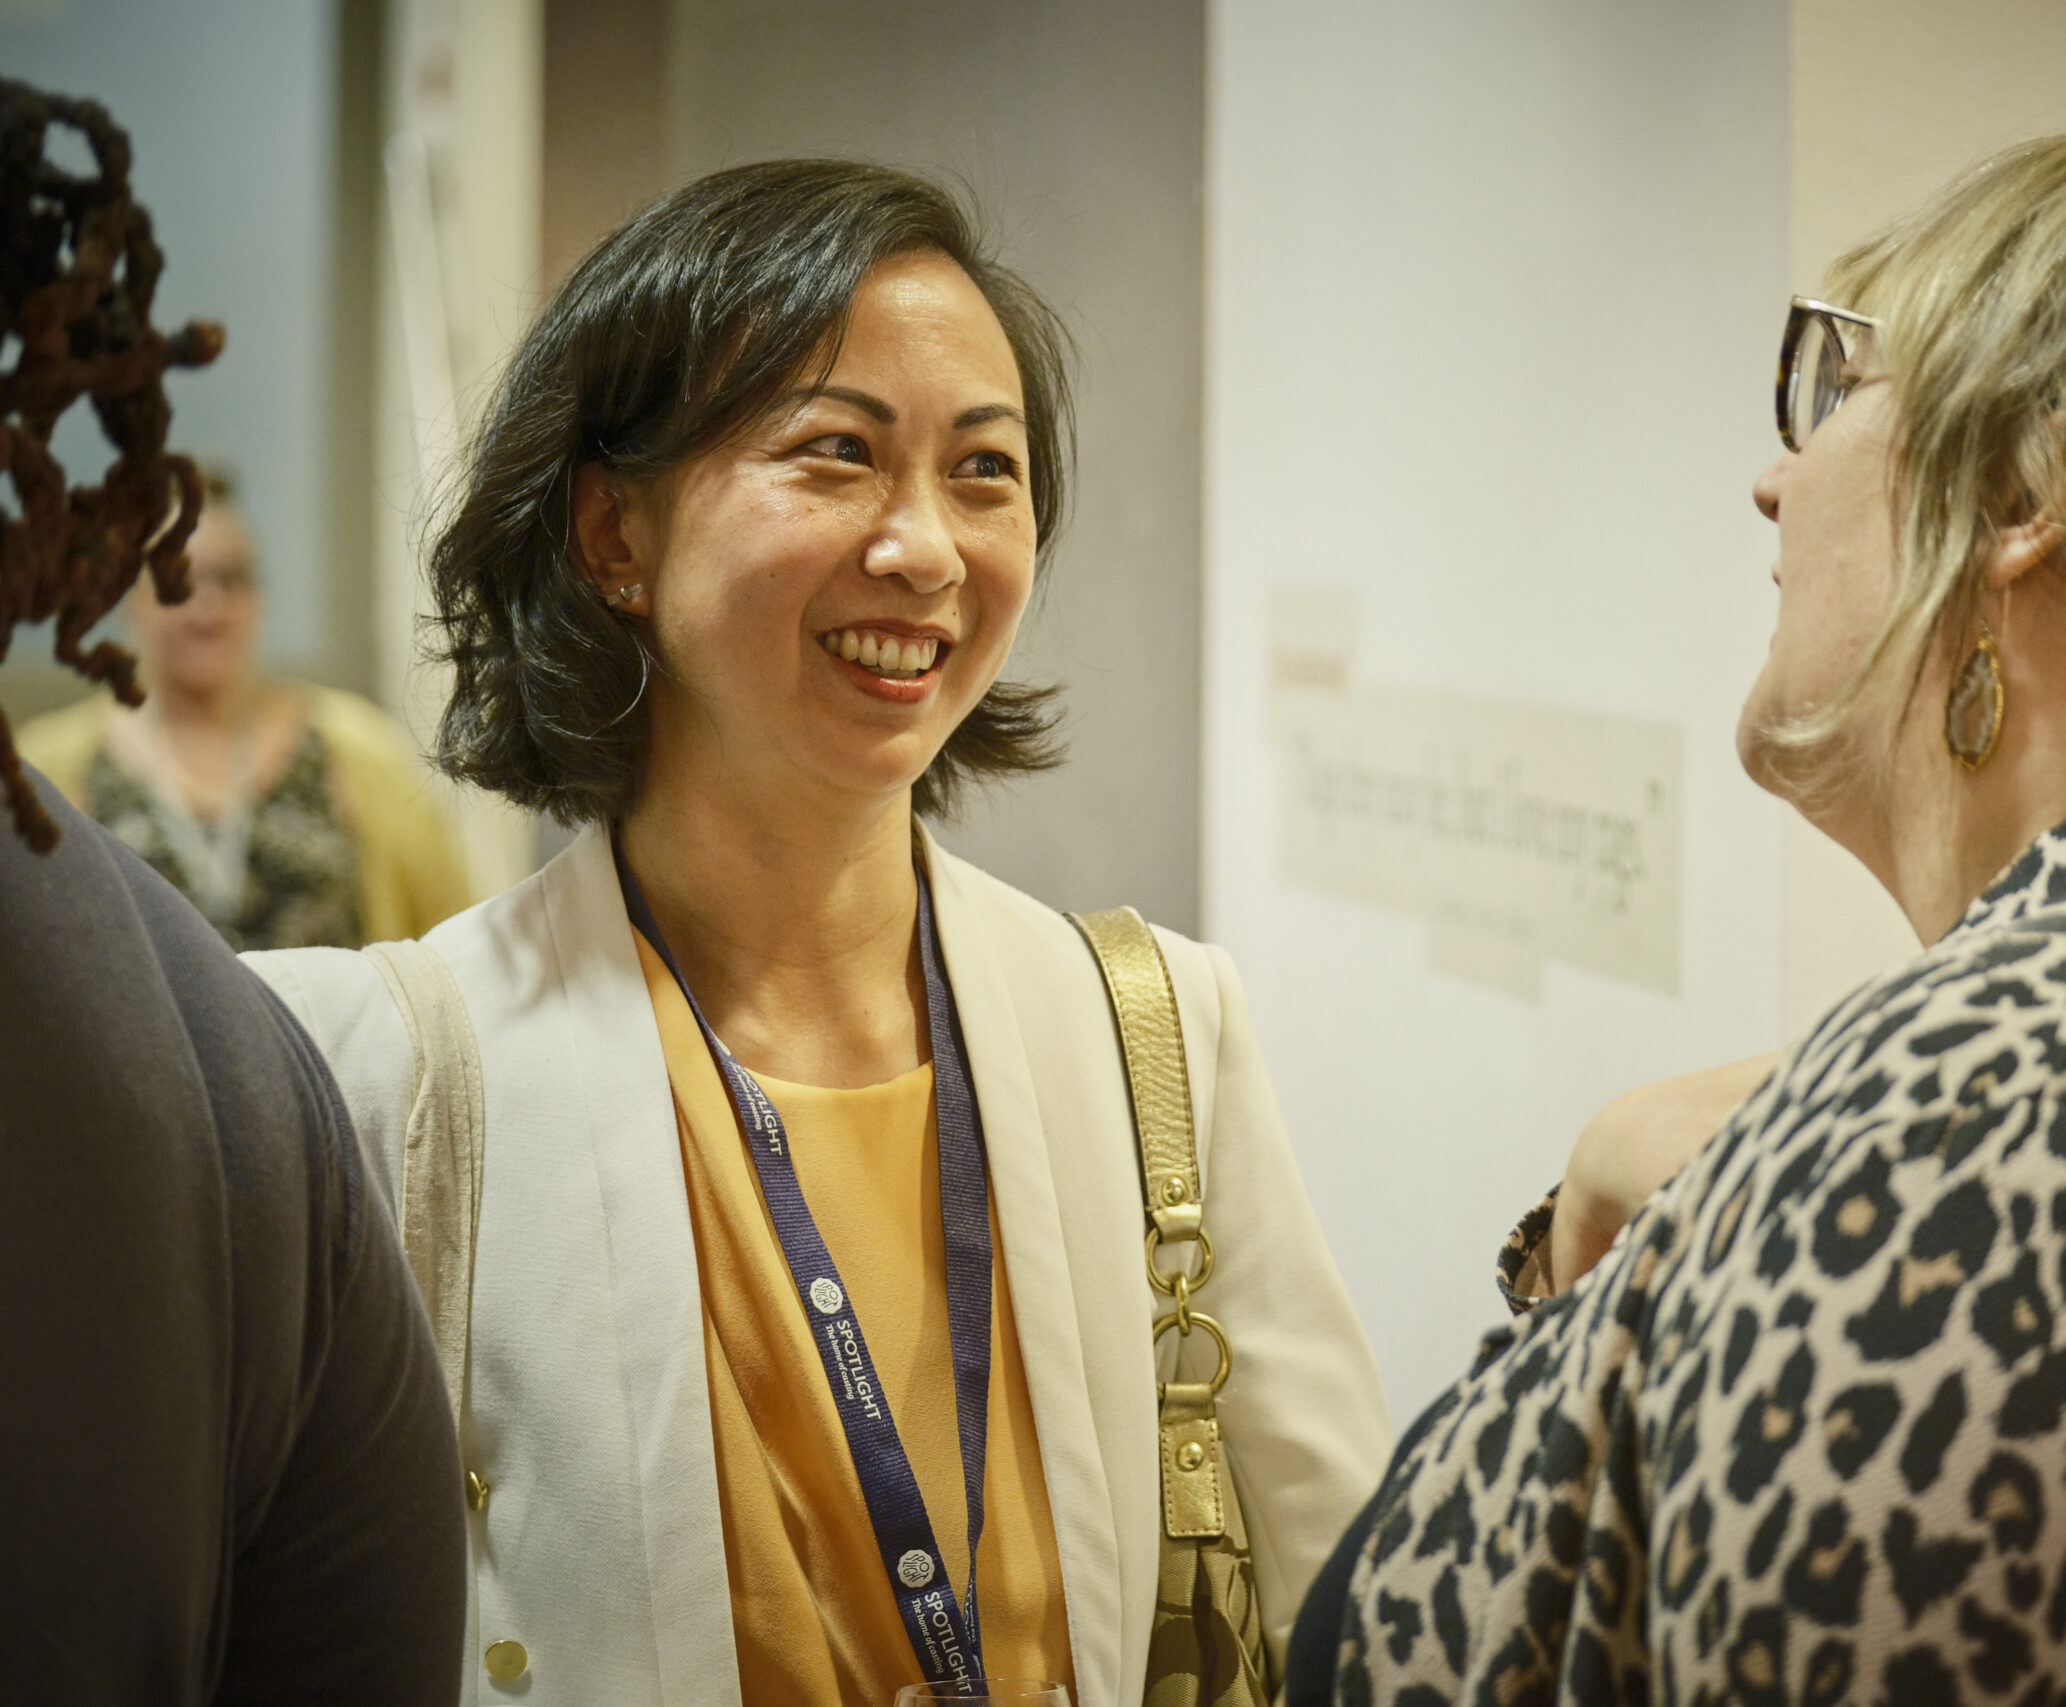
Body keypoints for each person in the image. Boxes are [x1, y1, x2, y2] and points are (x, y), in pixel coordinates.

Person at [1291, 124, 2066, 1706]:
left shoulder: (2037, 1130)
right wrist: (1660, 1190)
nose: (1774, 478)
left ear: (2026, 491)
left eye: (1840, 383)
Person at [244, 160, 1389, 1706]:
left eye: (983, 469)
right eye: (837, 452)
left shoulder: (1157, 1031)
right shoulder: (386, 1078)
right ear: (613, 532)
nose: (927, 546)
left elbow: (1361, 1617)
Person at [0, 73, 465, 1704]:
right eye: (176, 581)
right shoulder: (54, 778)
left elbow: (442, 970)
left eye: (235, 579)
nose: (202, 604)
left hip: (305, 1214)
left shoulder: (356, 763)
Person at [20, 468, 472, 950]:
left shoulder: (360, 753)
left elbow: (455, 942)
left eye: (231, 579)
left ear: (259, 597)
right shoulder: (46, 771)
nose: (209, 605)